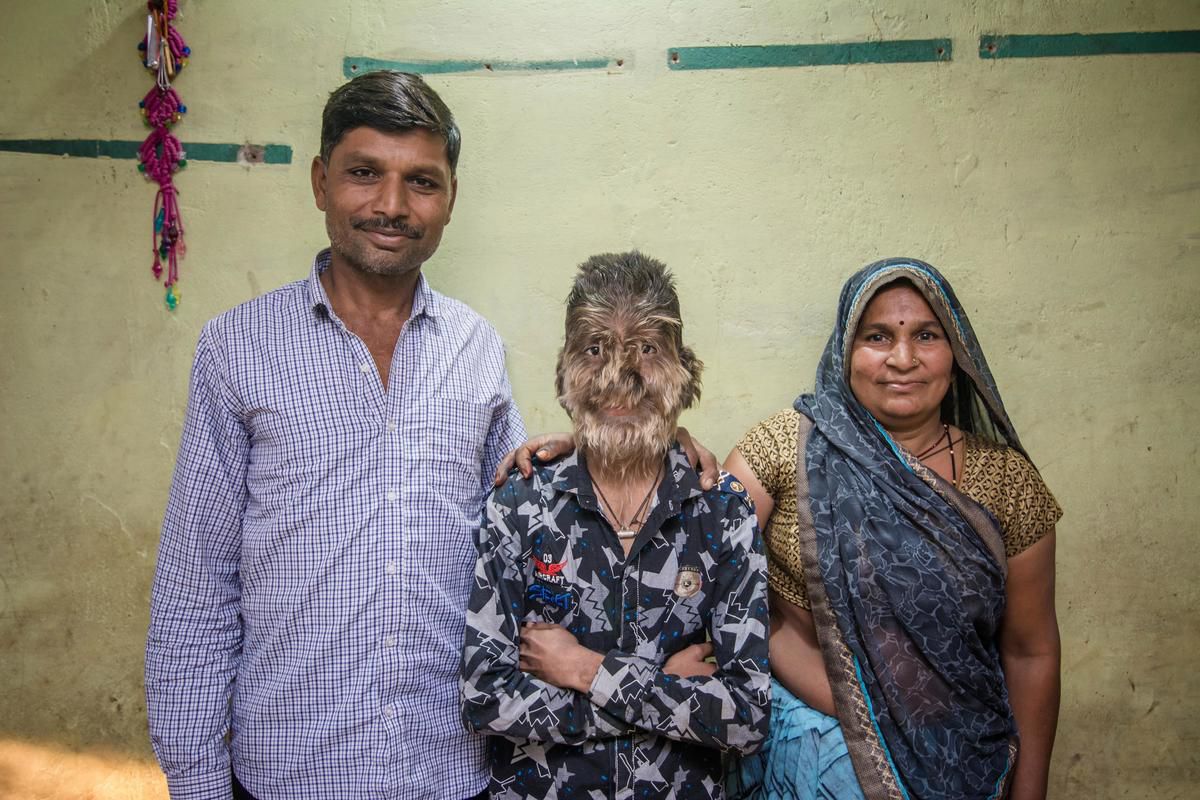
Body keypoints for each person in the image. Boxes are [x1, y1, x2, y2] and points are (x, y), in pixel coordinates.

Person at [143, 71, 526, 800]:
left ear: (450, 199)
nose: (390, 205)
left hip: (453, 773)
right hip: (291, 775)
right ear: (321, 182)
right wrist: (196, 785)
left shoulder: (478, 349)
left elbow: (520, 558)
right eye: (363, 174)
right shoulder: (238, 349)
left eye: (421, 181)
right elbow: (195, 594)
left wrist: (646, 457)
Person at [725, 258, 1062, 800]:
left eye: (926, 335)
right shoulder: (785, 447)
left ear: (956, 354)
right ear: (846, 352)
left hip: (963, 758)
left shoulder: (1006, 482)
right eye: (878, 336)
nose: (902, 359)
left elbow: (1031, 652)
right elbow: (698, 552)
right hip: (810, 752)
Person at [460, 251, 772, 799]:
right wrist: (663, 689)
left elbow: (745, 717)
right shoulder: (521, 504)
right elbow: (487, 701)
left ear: (684, 368)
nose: (618, 374)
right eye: (595, 347)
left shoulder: (722, 511)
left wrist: (584, 669)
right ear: (565, 368)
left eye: (647, 348)